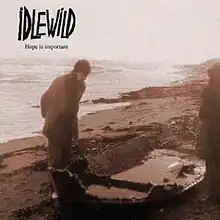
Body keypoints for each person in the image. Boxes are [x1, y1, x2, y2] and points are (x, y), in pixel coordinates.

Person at [40, 59, 91, 202]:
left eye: (85, 75)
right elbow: (44, 98)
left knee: (66, 156)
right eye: (82, 74)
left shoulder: (82, 86)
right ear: (76, 70)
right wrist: (47, 115)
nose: (83, 77)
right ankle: (53, 190)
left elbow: (75, 104)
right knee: (55, 158)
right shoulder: (59, 81)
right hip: (56, 123)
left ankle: (61, 187)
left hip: (70, 124)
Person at [199, 62, 220, 202]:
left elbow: (203, 113)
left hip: (213, 130)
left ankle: (214, 194)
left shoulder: (208, 91)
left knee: (212, 161)